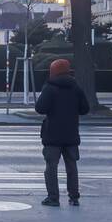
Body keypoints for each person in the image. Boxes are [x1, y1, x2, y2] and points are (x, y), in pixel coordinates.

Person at [34, 57, 90, 207]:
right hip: (71, 134)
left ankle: (53, 198)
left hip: (52, 135)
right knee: (72, 167)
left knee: (51, 168)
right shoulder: (76, 87)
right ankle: (74, 197)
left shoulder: (50, 88)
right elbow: (85, 109)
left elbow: (40, 108)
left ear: (53, 72)